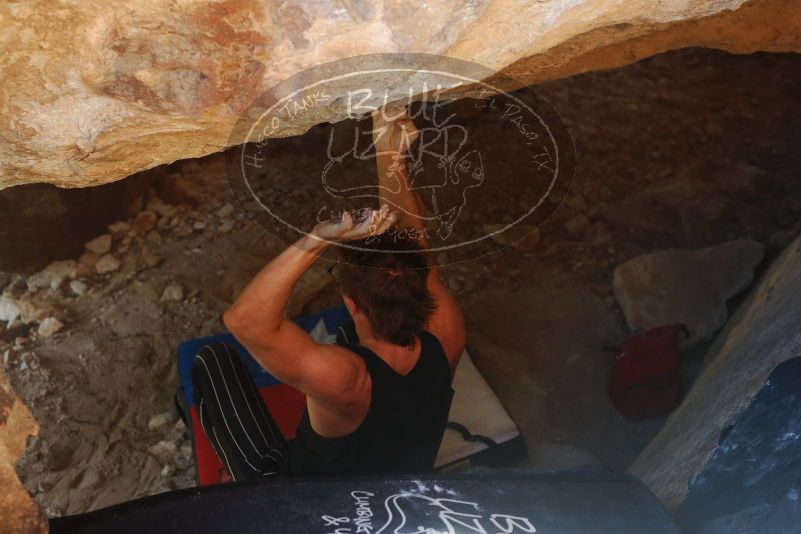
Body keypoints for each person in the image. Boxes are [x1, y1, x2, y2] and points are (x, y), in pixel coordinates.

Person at [191, 108, 466, 480]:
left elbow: (245, 322)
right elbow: (415, 246)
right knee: (351, 342)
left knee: (213, 359)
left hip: (309, 507)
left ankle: (240, 485)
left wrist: (318, 238)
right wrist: (390, 154)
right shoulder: (447, 331)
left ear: (350, 303)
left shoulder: (344, 378)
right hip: (400, 483)